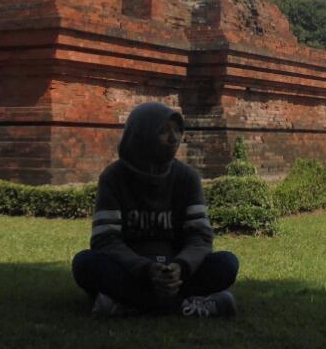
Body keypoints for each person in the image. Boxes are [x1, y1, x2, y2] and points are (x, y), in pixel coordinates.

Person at [72, 102, 239, 318]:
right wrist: (146, 269)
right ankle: (184, 305)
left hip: (177, 270)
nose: (174, 138)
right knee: (85, 264)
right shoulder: (114, 178)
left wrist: (181, 266)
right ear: (142, 135)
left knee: (226, 263)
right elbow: (106, 239)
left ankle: (126, 305)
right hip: (132, 270)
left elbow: (200, 237)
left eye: (178, 130)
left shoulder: (187, 178)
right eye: (163, 131)